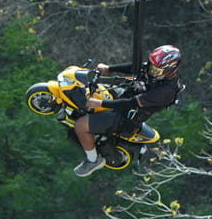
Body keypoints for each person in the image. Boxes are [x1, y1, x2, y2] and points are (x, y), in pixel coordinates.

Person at [73, 45, 182, 177]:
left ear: (171, 70)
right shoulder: (153, 69)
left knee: (80, 125)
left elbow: (131, 103)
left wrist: (100, 104)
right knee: (95, 90)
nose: (152, 72)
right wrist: (109, 68)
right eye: (151, 67)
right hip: (125, 95)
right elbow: (138, 68)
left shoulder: (165, 91)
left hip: (126, 117)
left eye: (156, 70)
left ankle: (93, 160)